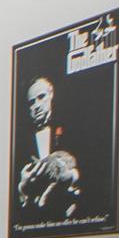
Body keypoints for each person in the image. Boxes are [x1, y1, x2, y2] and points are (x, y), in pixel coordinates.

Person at [14, 75, 82, 223]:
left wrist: (70, 176)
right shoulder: (20, 141)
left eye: (41, 97)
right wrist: (22, 186)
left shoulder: (71, 127)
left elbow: (92, 169)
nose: (37, 105)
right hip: (35, 218)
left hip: (70, 214)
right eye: (32, 102)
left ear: (51, 94)